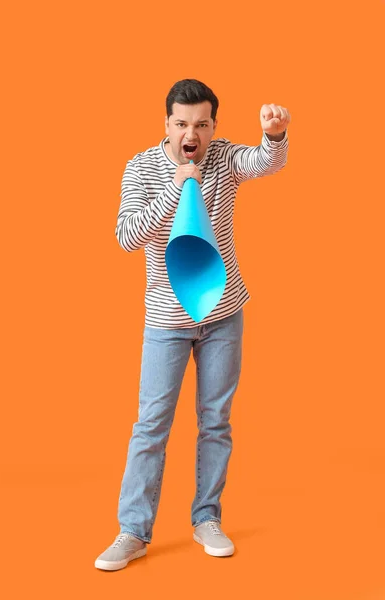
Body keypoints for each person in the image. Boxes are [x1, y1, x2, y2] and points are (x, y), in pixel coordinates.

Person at [95, 79, 290, 571]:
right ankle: (133, 531)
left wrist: (275, 135)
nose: (192, 133)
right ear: (167, 124)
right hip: (166, 319)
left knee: (216, 421)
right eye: (182, 124)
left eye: (202, 124)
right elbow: (125, 235)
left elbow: (265, 162)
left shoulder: (223, 158)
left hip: (224, 314)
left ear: (213, 126)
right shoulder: (140, 167)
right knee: (151, 425)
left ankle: (207, 518)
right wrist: (177, 185)